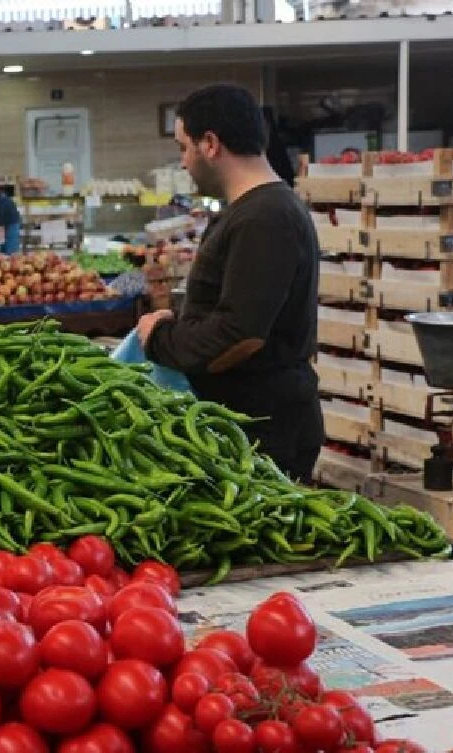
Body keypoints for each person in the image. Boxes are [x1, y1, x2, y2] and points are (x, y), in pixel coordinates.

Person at [138, 83, 322, 481]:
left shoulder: (265, 217)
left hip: (263, 431)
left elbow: (241, 334)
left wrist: (160, 338)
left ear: (210, 144)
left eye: (183, 147)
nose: (183, 162)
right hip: (246, 423)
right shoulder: (252, 211)